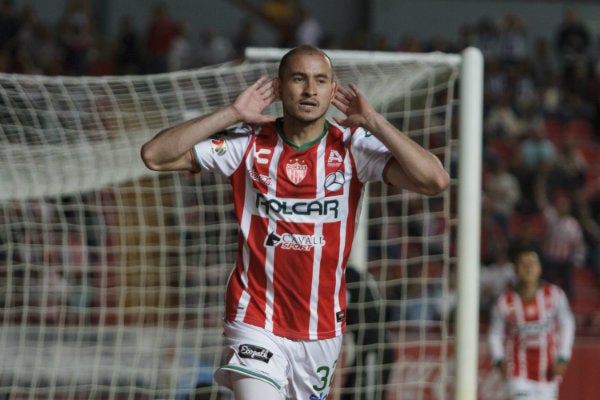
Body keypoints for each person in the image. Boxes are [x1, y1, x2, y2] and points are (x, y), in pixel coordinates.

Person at [140, 45, 449, 400]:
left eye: (320, 81)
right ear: (280, 86)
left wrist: (375, 122)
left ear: (333, 92)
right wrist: (231, 113)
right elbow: (155, 156)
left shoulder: (352, 147)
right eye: (299, 79)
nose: (309, 90)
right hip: (254, 319)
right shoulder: (248, 144)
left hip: (321, 330)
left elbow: (434, 180)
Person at [487, 240, 575, 400]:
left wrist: (563, 358)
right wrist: (499, 360)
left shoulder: (555, 296)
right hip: (517, 373)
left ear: (540, 268)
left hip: (548, 373)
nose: (528, 268)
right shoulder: (504, 302)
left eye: (532, 263)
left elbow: (567, 325)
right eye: (523, 263)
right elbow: (495, 334)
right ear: (515, 269)